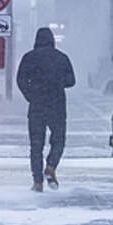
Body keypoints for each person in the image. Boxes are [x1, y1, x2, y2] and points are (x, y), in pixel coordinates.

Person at [17, 28, 76, 192]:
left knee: (36, 145)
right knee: (58, 139)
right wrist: (57, 82)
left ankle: (37, 182)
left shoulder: (29, 57)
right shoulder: (62, 58)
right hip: (57, 105)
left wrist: (30, 94)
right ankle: (51, 166)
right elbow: (71, 81)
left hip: (36, 106)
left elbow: (20, 79)